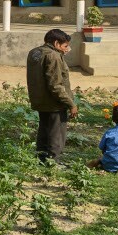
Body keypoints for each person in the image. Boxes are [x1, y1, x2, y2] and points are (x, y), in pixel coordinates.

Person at [26, 28, 77, 162]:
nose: (67, 49)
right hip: (54, 103)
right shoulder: (53, 56)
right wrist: (71, 103)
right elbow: (55, 85)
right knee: (56, 134)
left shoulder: (35, 52)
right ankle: (54, 161)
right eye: (65, 46)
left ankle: (41, 157)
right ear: (56, 43)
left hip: (40, 100)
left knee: (44, 129)